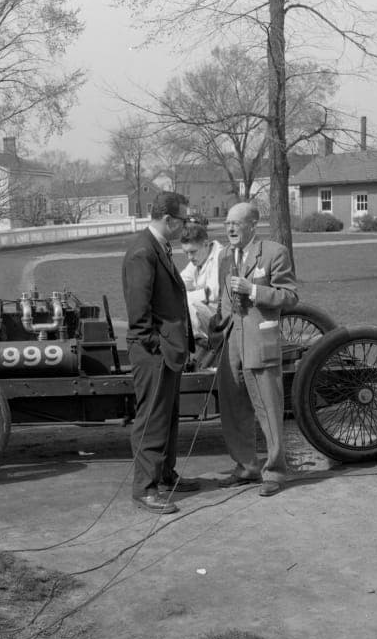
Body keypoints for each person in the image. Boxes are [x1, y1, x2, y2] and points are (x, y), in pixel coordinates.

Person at [121, 191, 201, 514]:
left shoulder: (157, 247)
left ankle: (165, 476)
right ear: (168, 220)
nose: (185, 225)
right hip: (153, 354)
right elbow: (139, 314)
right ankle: (145, 488)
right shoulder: (143, 252)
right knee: (151, 420)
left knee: (166, 419)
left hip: (165, 352)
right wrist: (157, 346)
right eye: (182, 220)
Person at [215, 202, 299, 497]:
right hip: (232, 344)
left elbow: (290, 297)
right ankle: (246, 466)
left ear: (253, 225)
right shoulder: (225, 255)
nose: (230, 229)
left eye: (236, 223)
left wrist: (253, 290)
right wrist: (217, 325)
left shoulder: (274, 252)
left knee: (269, 408)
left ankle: (275, 471)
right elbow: (224, 299)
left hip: (260, 342)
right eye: (227, 223)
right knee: (234, 407)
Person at [179, 223, 224, 366]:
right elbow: (180, 282)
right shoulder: (200, 256)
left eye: (192, 252)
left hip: (222, 315)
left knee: (187, 303)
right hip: (207, 313)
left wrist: (182, 296)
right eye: (186, 253)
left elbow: (212, 293)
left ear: (205, 244)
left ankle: (201, 343)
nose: (189, 257)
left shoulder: (220, 257)